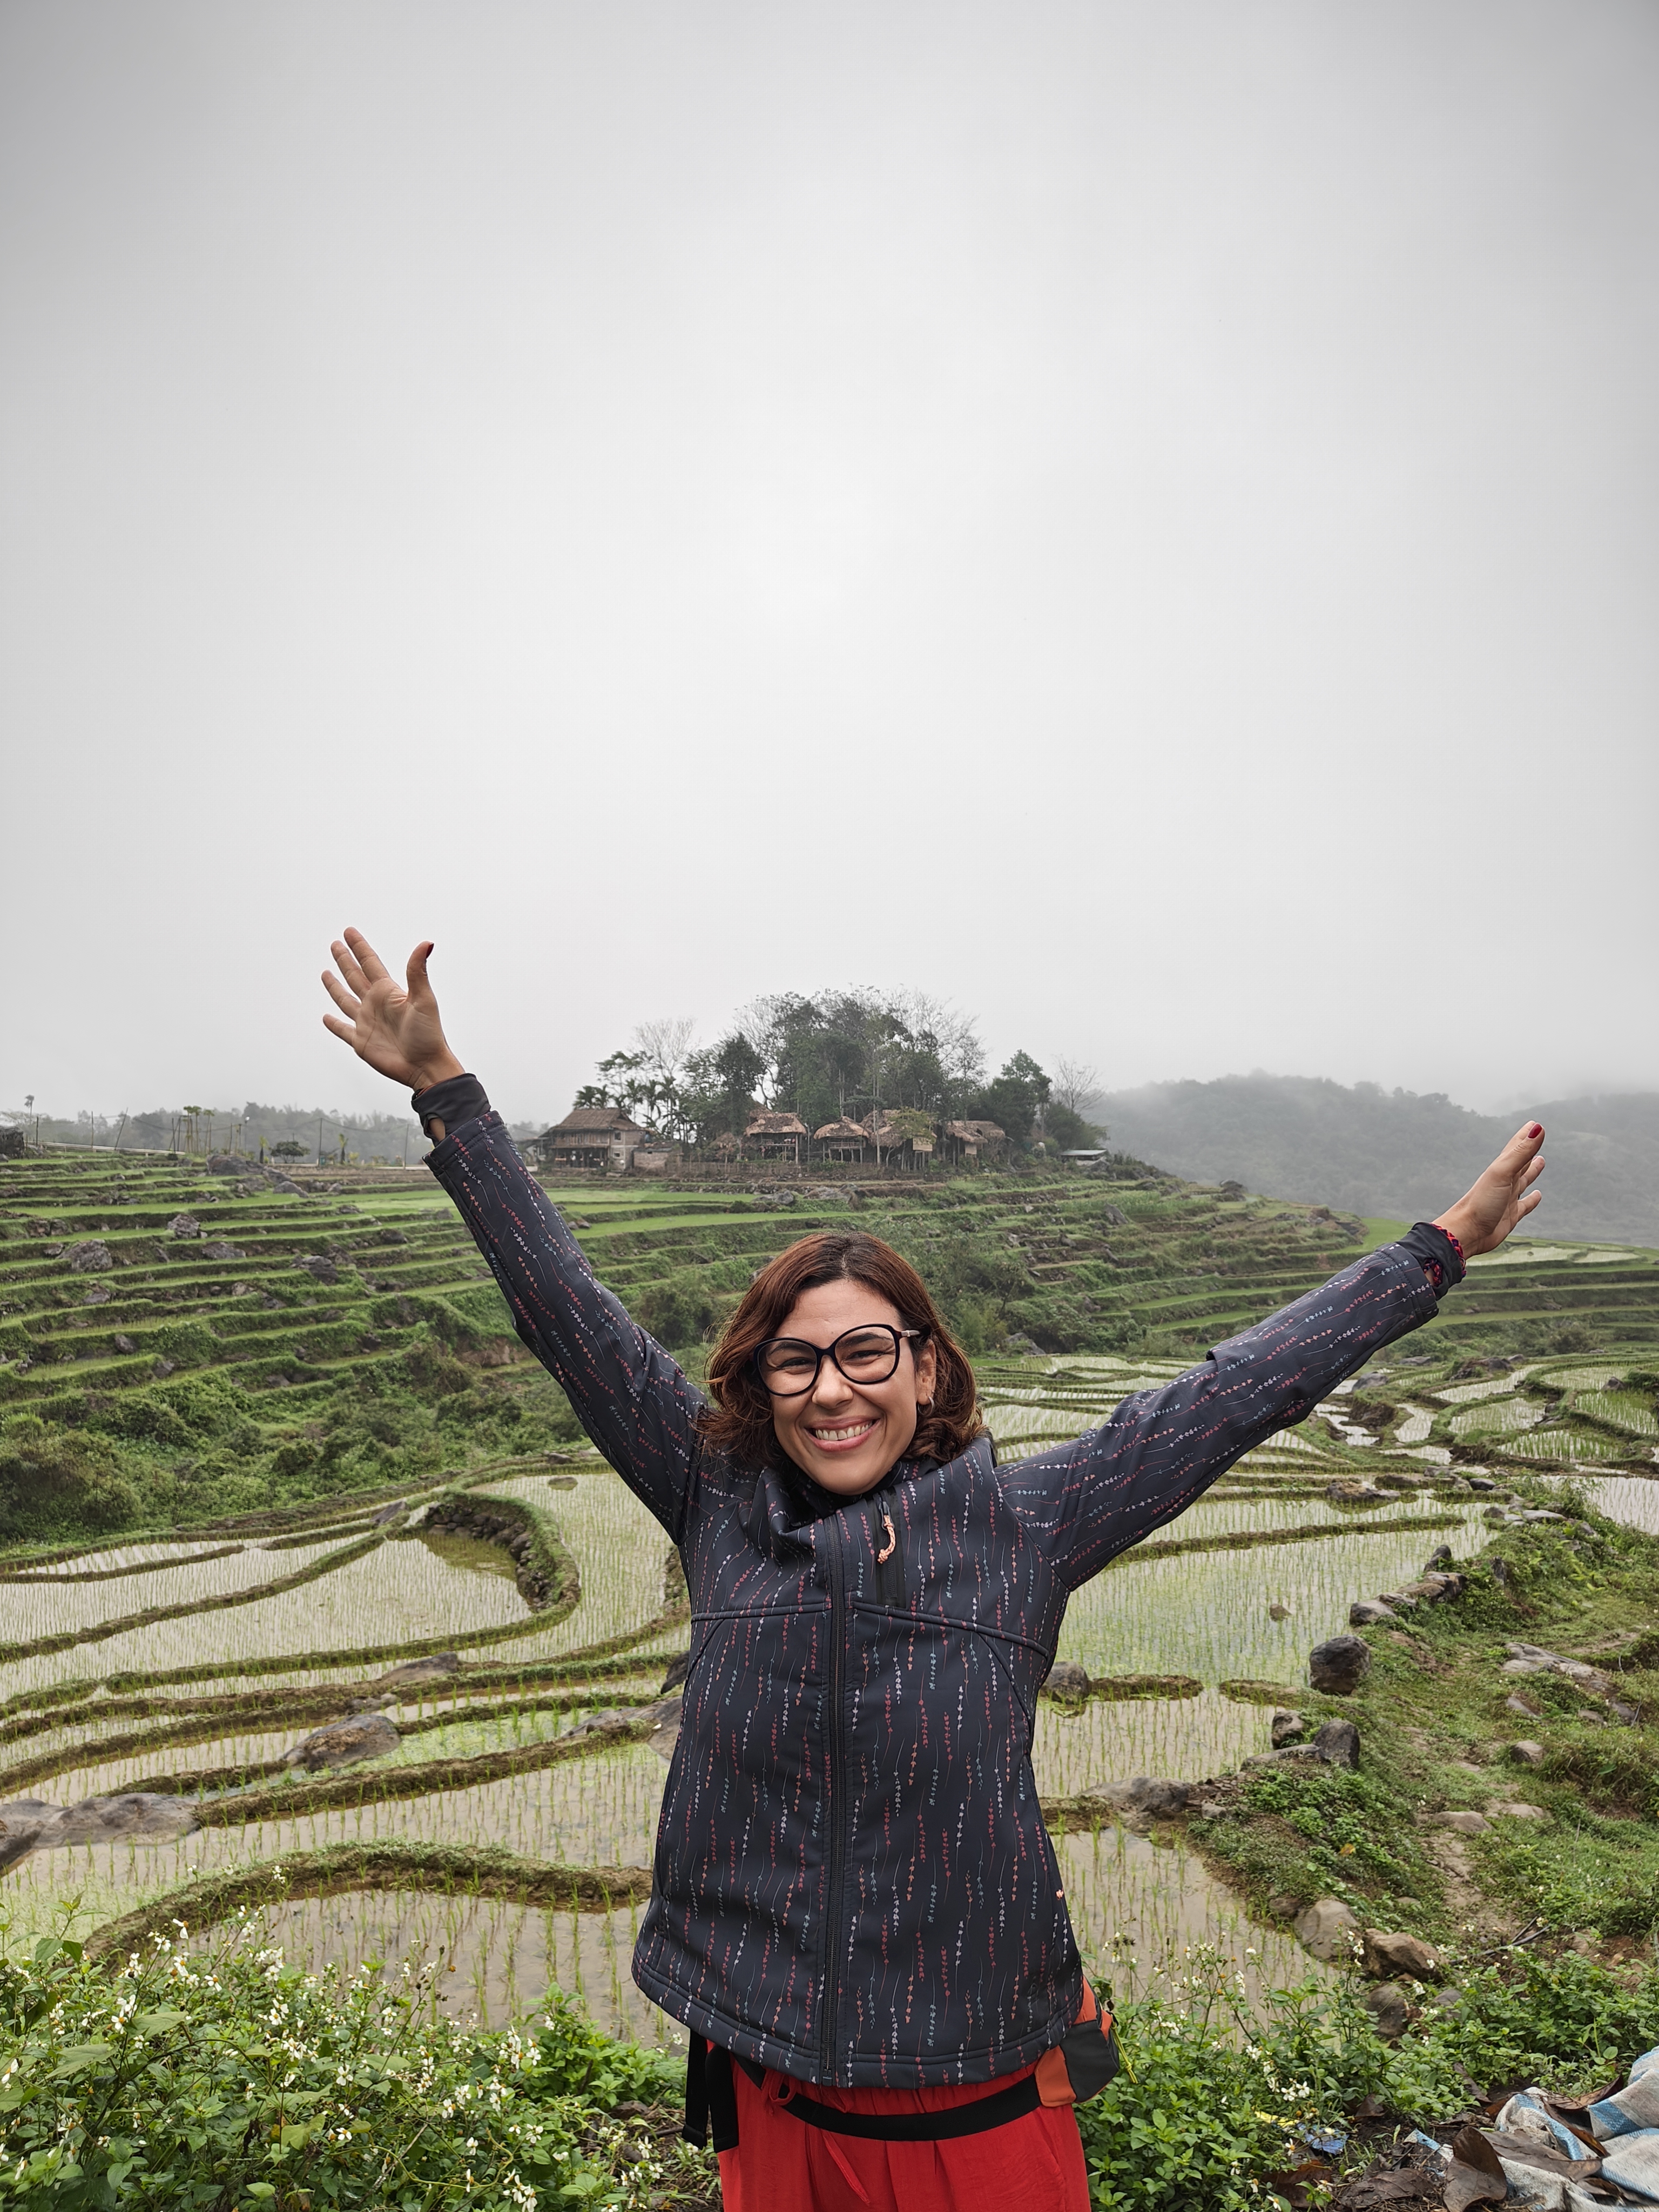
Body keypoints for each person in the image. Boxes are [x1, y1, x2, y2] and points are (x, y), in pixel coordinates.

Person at [321, 928, 1546, 2212]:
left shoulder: (1024, 1522)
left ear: (923, 1363)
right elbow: (567, 1310)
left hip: (976, 2096)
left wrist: (1435, 1250)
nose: (832, 1389)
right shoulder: (716, 1501)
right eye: (797, 1360)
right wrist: (447, 1089)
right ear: (758, 1380)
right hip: (765, 2086)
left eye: (866, 1352)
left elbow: (1233, 1392)